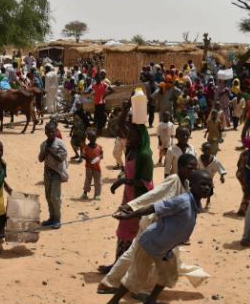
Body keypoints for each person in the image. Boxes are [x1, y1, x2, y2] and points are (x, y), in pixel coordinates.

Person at [104, 169, 214, 304]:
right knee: (136, 275)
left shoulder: (194, 205)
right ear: (191, 185)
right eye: (203, 184)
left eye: (209, 185)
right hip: (150, 244)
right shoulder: (182, 201)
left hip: (165, 248)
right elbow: (154, 207)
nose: (207, 188)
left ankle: (150, 301)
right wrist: (131, 214)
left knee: (168, 274)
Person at [97, 154, 202, 295]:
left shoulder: (187, 184)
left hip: (164, 229)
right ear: (181, 167)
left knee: (150, 257)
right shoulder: (173, 180)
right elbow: (154, 195)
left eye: (196, 168)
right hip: (153, 225)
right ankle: (115, 285)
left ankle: (129, 286)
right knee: (136, 254)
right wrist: (131, 206)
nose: (193, 171)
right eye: (190, 168)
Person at [100, 123, 155, 274]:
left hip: (141, 199)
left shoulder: (145, 155)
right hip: (129, 196)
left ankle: (134, 269)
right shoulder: (131, 150)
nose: (128, 137)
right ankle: (118, 265)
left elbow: (146, 181)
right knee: (124, 230)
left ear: (141, 137)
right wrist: (125, 112)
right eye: (128, 135)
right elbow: (119, 128)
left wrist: (123, 181)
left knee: (140, 233)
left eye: (132, 135)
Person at [38, 122, 69, 229]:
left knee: (55, 197)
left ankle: (57, 219)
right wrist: (45, 151)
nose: (51, 134)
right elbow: (40, 159)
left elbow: (61, 158)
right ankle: (51, 217)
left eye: (53, 131)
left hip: (57, 172)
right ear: (45, 132)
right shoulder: (43, 144)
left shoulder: (60, 143)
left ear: (56, 131)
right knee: (48, 196)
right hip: (47, 173)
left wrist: (50, 151)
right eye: (48, 132)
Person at [197, 142, 226, 209]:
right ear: (202, 150)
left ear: (211, 150)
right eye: (205, 149)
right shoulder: (199, 159)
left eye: (208, 149)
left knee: (209, 191)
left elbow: (220, 168)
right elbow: (196, 167)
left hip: (209, 179)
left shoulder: (215, 160)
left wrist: (222, 176)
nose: (207, 151)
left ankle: (208, 201)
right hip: (200, 178)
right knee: (198, 191)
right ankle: (198, 202)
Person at [81, 129, 103, 200]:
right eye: (92, 138)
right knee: (88, 180)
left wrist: (98, 157)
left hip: (97, 167)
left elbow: (101, 155)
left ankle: (97, 195)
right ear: (88, 138)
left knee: (98, 181)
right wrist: (88, 159)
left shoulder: (99, 147)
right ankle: (85, 193)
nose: (93, 139)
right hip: (89, 167)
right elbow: (83, 156)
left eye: (94, 137)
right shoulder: (86, 148)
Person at [92, 70, 113, 135]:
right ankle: (98, 130)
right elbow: (92, 92)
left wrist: (105, 95)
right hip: (96, 103)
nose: (98, 79)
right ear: (95, 79)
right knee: (96, 117)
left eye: (99, 77)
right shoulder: (94, 85)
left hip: (101, 103)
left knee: (101, 117)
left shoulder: (104, 84)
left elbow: (111, 89)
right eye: (97, 78)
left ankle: (100, 131)